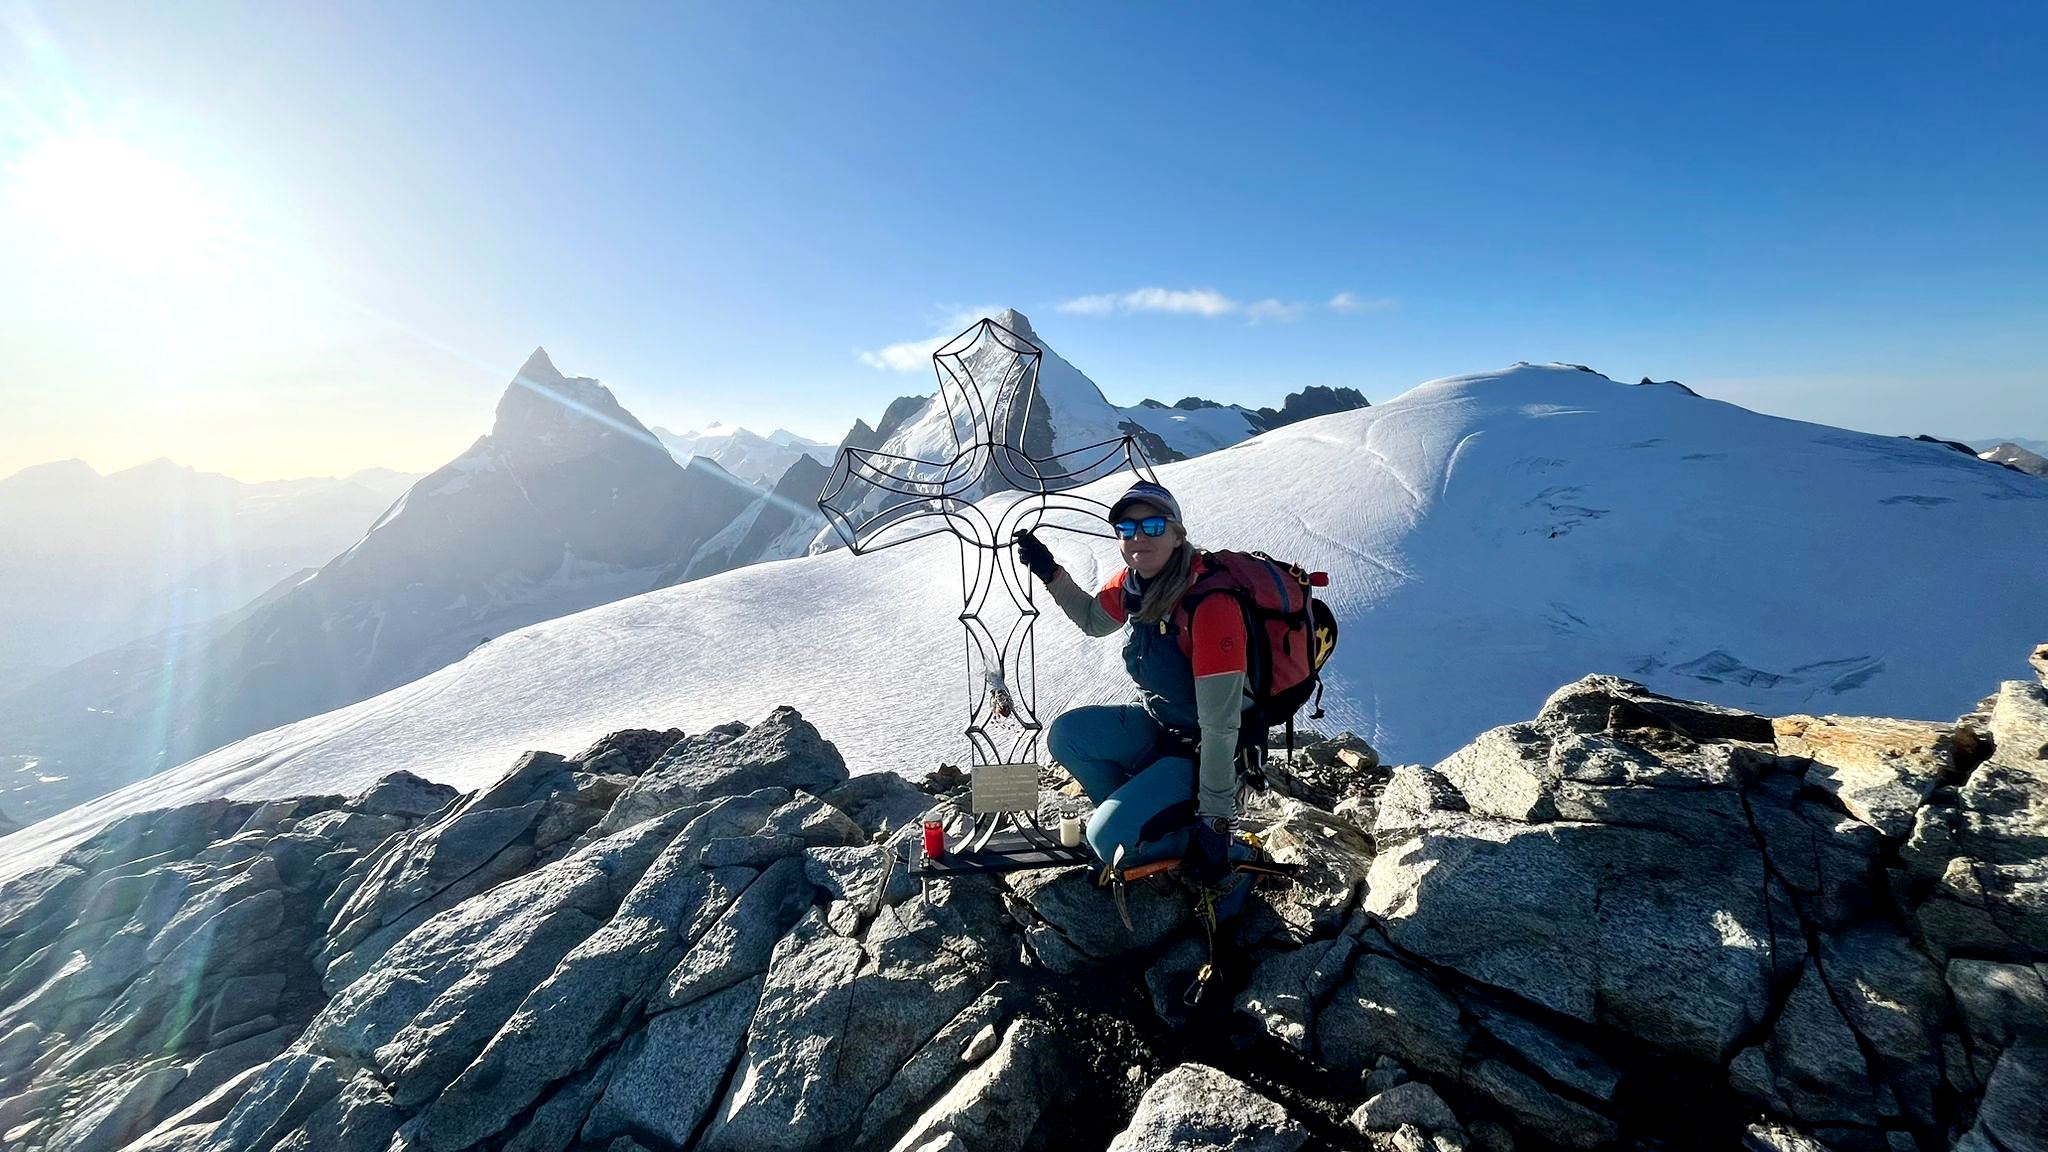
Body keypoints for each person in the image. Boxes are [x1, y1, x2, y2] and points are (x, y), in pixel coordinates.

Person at [1012, 480, 1250, 896]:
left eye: (1153, 526)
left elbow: (1221, 727)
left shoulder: (1210, 606)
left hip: (1205, 755)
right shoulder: (1133, 584)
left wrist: (1215, 820)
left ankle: (1221, 852)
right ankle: (1139, 822)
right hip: (1160, 730)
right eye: (1126, 528)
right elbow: (1093, 620)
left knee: (1105, 841)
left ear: (1178, 535)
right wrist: (1050, 573)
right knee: (1068, 736)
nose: (1138, 536)